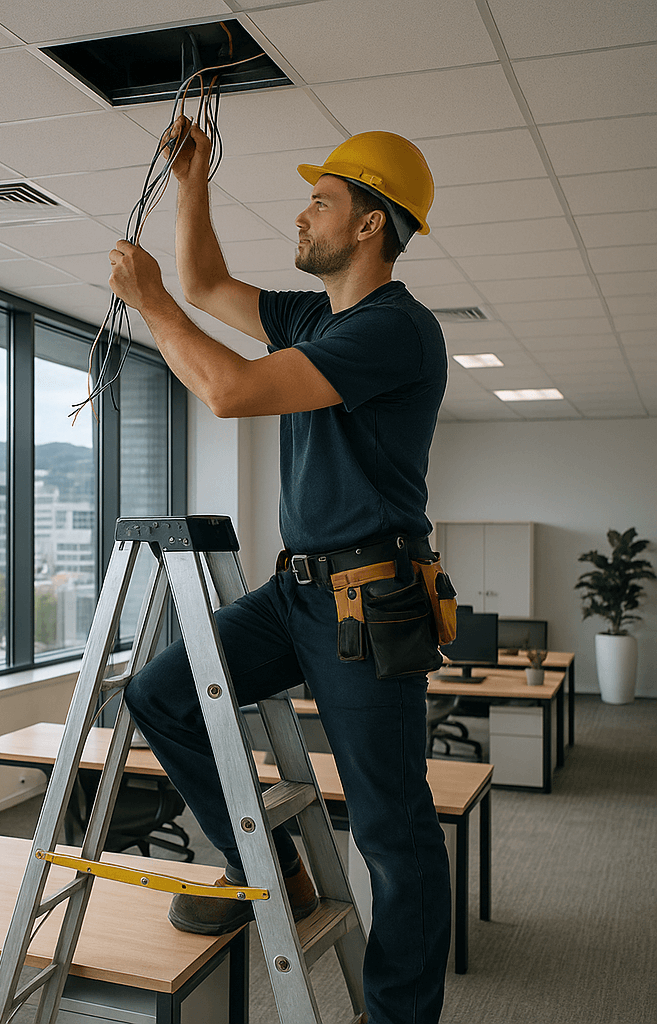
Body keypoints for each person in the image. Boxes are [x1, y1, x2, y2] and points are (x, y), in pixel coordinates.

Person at [108, 120, 451, 1024]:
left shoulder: (396, 331)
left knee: (393, 834)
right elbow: (208, 285)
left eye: (322, 201)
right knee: (159, 696)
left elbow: (229, 393)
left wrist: (151, 310)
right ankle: (274, 873)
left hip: (371, 601)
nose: (303, 214)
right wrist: (192, 181)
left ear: (370, 224)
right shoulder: (312, 315)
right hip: (294, 590)